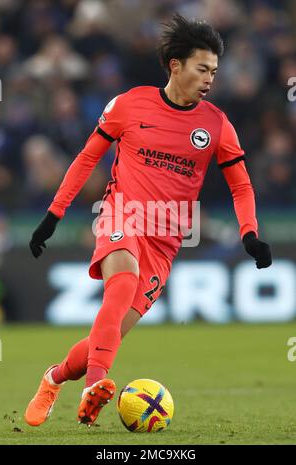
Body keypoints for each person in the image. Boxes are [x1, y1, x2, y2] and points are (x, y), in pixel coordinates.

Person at [24, 13, 272, 428]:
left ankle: (53, 378)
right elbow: (88, 158)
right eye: (202, 68)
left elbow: (242, 187)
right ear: (176, 64)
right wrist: (54, 215)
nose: (210, 78)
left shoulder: (216, 125)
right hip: (122, 213)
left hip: (166, 238)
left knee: (110, 334)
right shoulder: (129, 104)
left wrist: (250, 234)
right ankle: (96, 386)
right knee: (120, 284)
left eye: (214, 70)